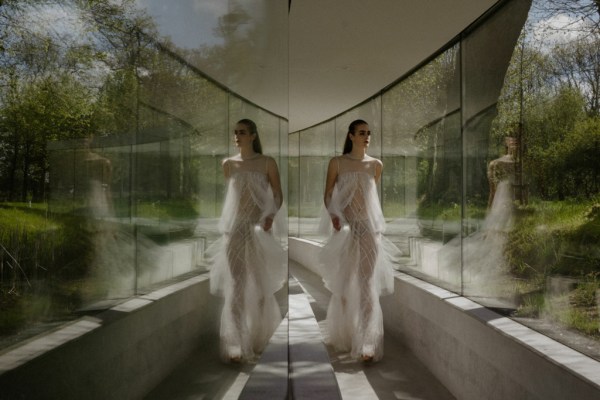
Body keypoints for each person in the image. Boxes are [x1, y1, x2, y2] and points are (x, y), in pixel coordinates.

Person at [209, 118, 286, 363]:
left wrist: (270, 215)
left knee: (261, 285)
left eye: (242, 132)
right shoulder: (229, 164)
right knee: (237, 285)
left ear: (253, 135)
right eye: (235, 133)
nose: (237, 136)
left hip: (259, 230)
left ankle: (260, 337)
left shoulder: (267, 162)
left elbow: (277, 194)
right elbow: (231, 200)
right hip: (235, 230)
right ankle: (236, 343)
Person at [320, 119, 395, 362]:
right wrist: (334, 215)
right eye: (362, 133)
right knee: (343, 285)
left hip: (369, 231)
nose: (366, 136)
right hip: (345, 230)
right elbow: (329, 194)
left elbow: (370, 200)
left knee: (366, 284)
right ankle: (345, 333)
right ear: (351, 136)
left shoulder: (375, 165)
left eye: (368, 133)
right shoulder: (337, 163)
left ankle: (367, 342)